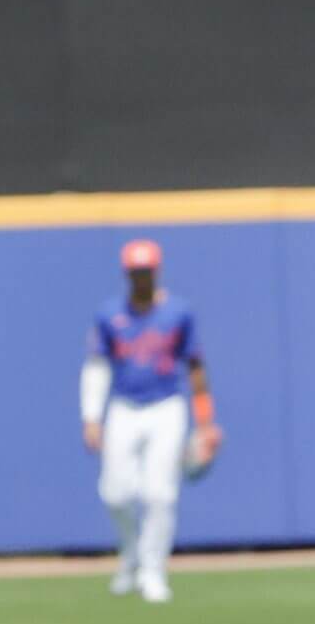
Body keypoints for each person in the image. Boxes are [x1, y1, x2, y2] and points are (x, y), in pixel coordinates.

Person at [80, 240, 219, 602]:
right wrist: (91, 417)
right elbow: (97, 366)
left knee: (159, 494)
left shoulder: (178, 312)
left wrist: (205, 421)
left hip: (166, 407)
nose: (141, 278)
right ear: (127, 274)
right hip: (124, 407)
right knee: (115, 492)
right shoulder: (111, 315)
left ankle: (153, 571)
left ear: (155, 272)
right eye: (135, 272)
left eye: (146, 272)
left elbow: (195, 366)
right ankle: (131, 553)